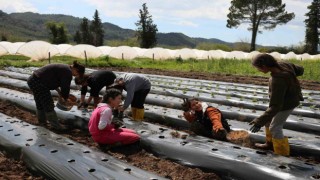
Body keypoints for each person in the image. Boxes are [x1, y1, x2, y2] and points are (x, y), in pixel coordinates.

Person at [249, 53, 304, 156]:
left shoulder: (278, 80)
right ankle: (269, 144)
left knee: (275, 127)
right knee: (268, 119)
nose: (258, 70)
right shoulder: (284, 65)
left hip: (287, 104)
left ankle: (282, 154)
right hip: (288, 98)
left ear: (264, 66)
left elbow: (276, 106)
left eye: (258, 68)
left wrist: (259, 122)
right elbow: (300, 69)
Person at [27, 61, 85, 130]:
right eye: (76, 74)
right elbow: (65, 87)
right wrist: (65, 98)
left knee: (40, 102)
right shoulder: (67, 72)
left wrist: (60, 93)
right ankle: (56, 126)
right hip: (39, 83)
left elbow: (53, 80)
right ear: (76, 70)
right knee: (48, 104)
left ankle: (42, 122)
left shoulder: (64, 68)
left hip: (33, 80)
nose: (74, 76)